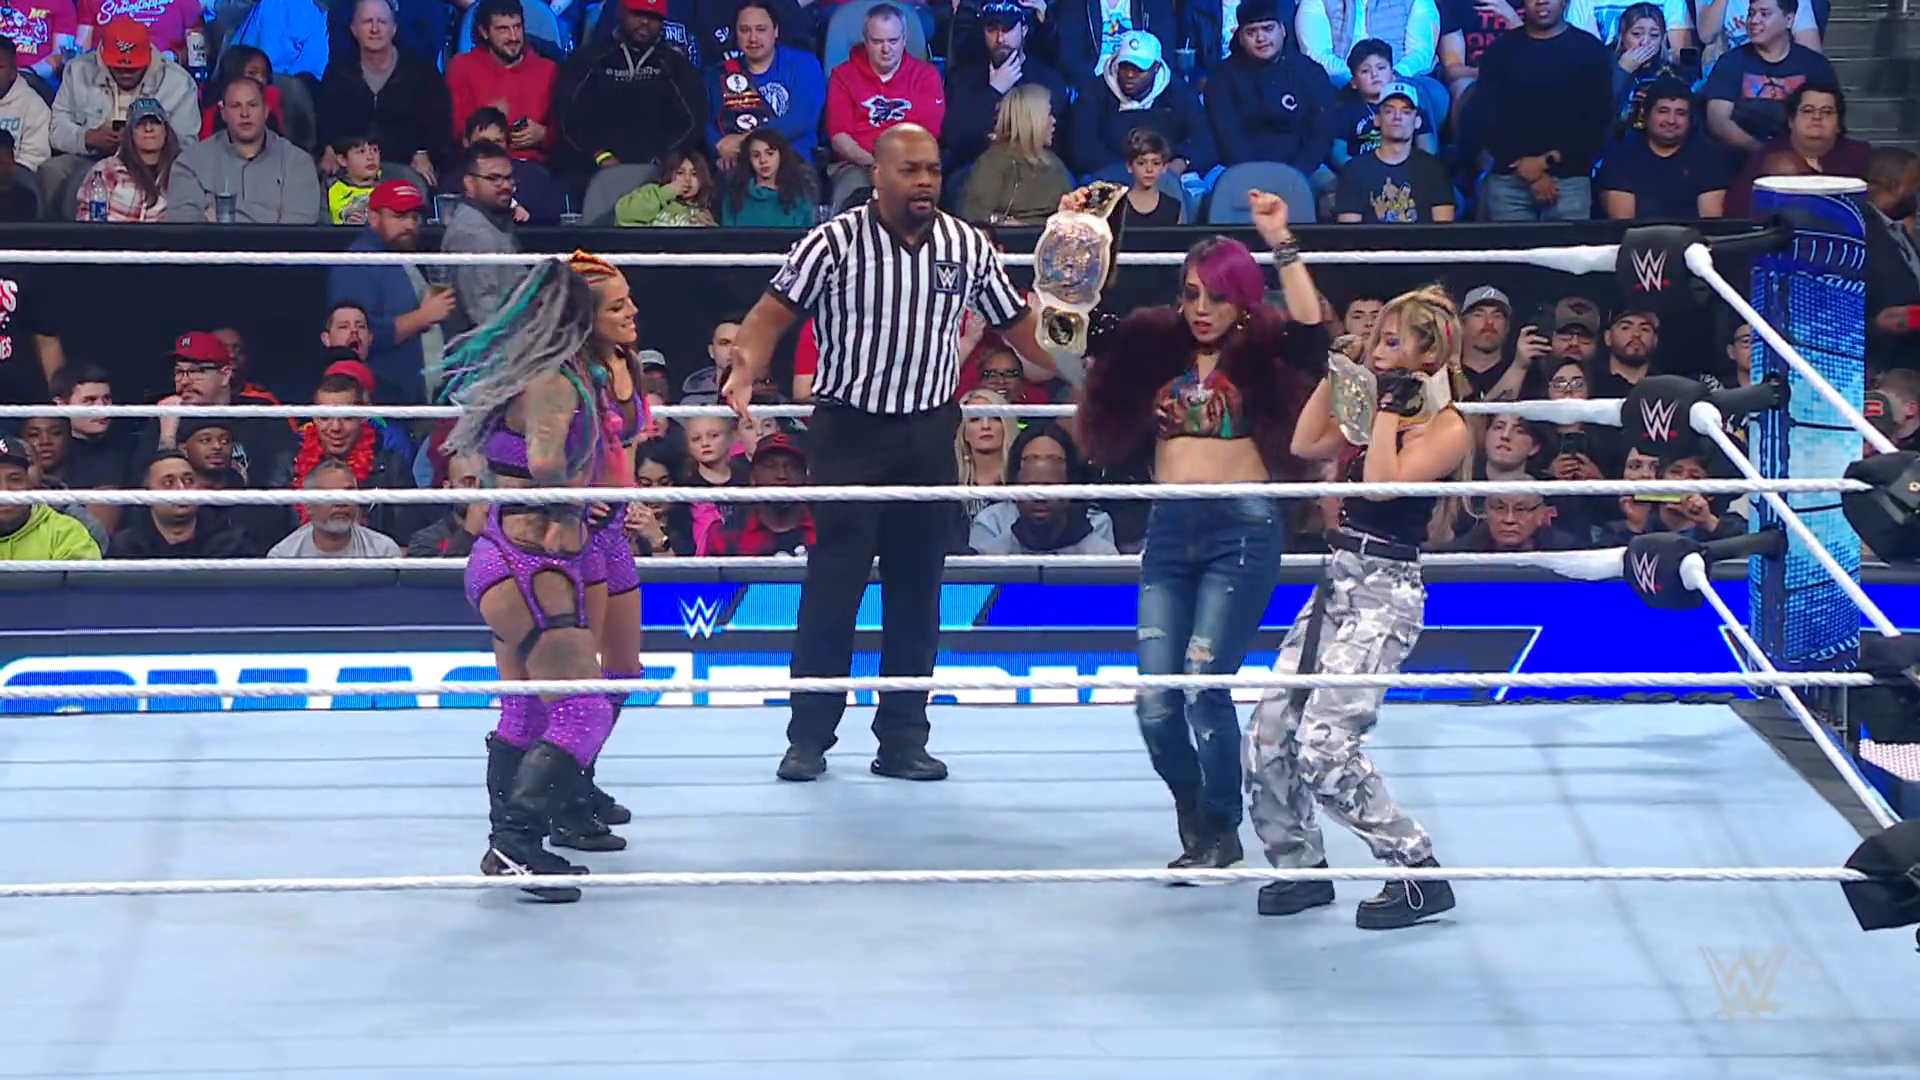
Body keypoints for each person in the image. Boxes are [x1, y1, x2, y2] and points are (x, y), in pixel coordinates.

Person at [721, 122, 1058, 784]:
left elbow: (1022, 330)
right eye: (910, 170)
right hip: (849, 433)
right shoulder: (833, 242)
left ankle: (903, 737)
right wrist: (744, 367)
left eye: (933, 168)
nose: (925, 180)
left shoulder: (966, 246)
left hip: (928, 434)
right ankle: (809, 736)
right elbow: (769, 315)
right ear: (878, 175)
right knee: (833, 588)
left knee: (917, 592)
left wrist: (1081, 360)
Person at [1074, 187, 1324, 874]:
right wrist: (1086, 236)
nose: (1202, 309)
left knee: (1202, 685)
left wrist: (1280, 241)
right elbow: (1082, 329)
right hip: (1169, 529)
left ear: (1242, 300)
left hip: (1240, 531)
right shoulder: (1152, 348)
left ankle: (1223, 823)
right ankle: (1197, 813)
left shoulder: (1266, 351)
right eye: (1191, 295)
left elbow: (1313, 333)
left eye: (1216, 296)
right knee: (1155, 703)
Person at [1246, 285, 1474, 929]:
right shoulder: (1370, 404)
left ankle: (1417, 871)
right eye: (1376, 338)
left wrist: (1388, 410)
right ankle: (1300, 867)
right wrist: (1337, 373)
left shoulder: (1449, 425)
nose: (1378, 348)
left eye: (1392, 340)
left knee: (1323, 745)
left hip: (1386, 592)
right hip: (1337, 580)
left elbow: (1381, 485)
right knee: (1268, 733)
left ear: (1430, 354)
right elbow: (1304, 444)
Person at [430, 259, 628, 904]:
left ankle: (510, 845)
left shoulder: (527, 373)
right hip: (529, 563)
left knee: (526, 705)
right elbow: (543, 462)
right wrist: (573, 507)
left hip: (506, 554)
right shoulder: (553, 381)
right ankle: (516, 843)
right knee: (583, 708)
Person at [554, 249, 647, 854]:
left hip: (613, 529)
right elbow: (542, 453)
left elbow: (627, 448)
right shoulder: (565, 377)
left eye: (630, 299)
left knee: (622, 669)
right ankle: (559, 796)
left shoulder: (625, 361)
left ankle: (578, 773)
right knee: (578, 680)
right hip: (576, 536)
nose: (632, 312)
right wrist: (574, 499)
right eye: (617, 307)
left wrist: (623, 501)